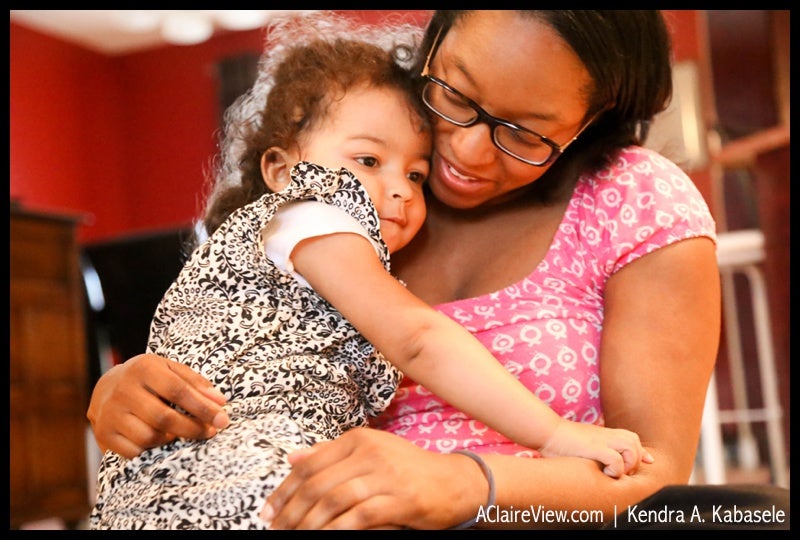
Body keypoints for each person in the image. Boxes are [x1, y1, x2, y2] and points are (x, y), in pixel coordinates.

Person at [87, 10, 721, 530]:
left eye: (525, 133)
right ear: (433, 43)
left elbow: (655, 474)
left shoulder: (633, 200)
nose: (465, 153)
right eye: (455, 95)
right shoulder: (353, 172)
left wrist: (469, 484)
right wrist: (130, 393)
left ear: (592, 120)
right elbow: (242, 341)